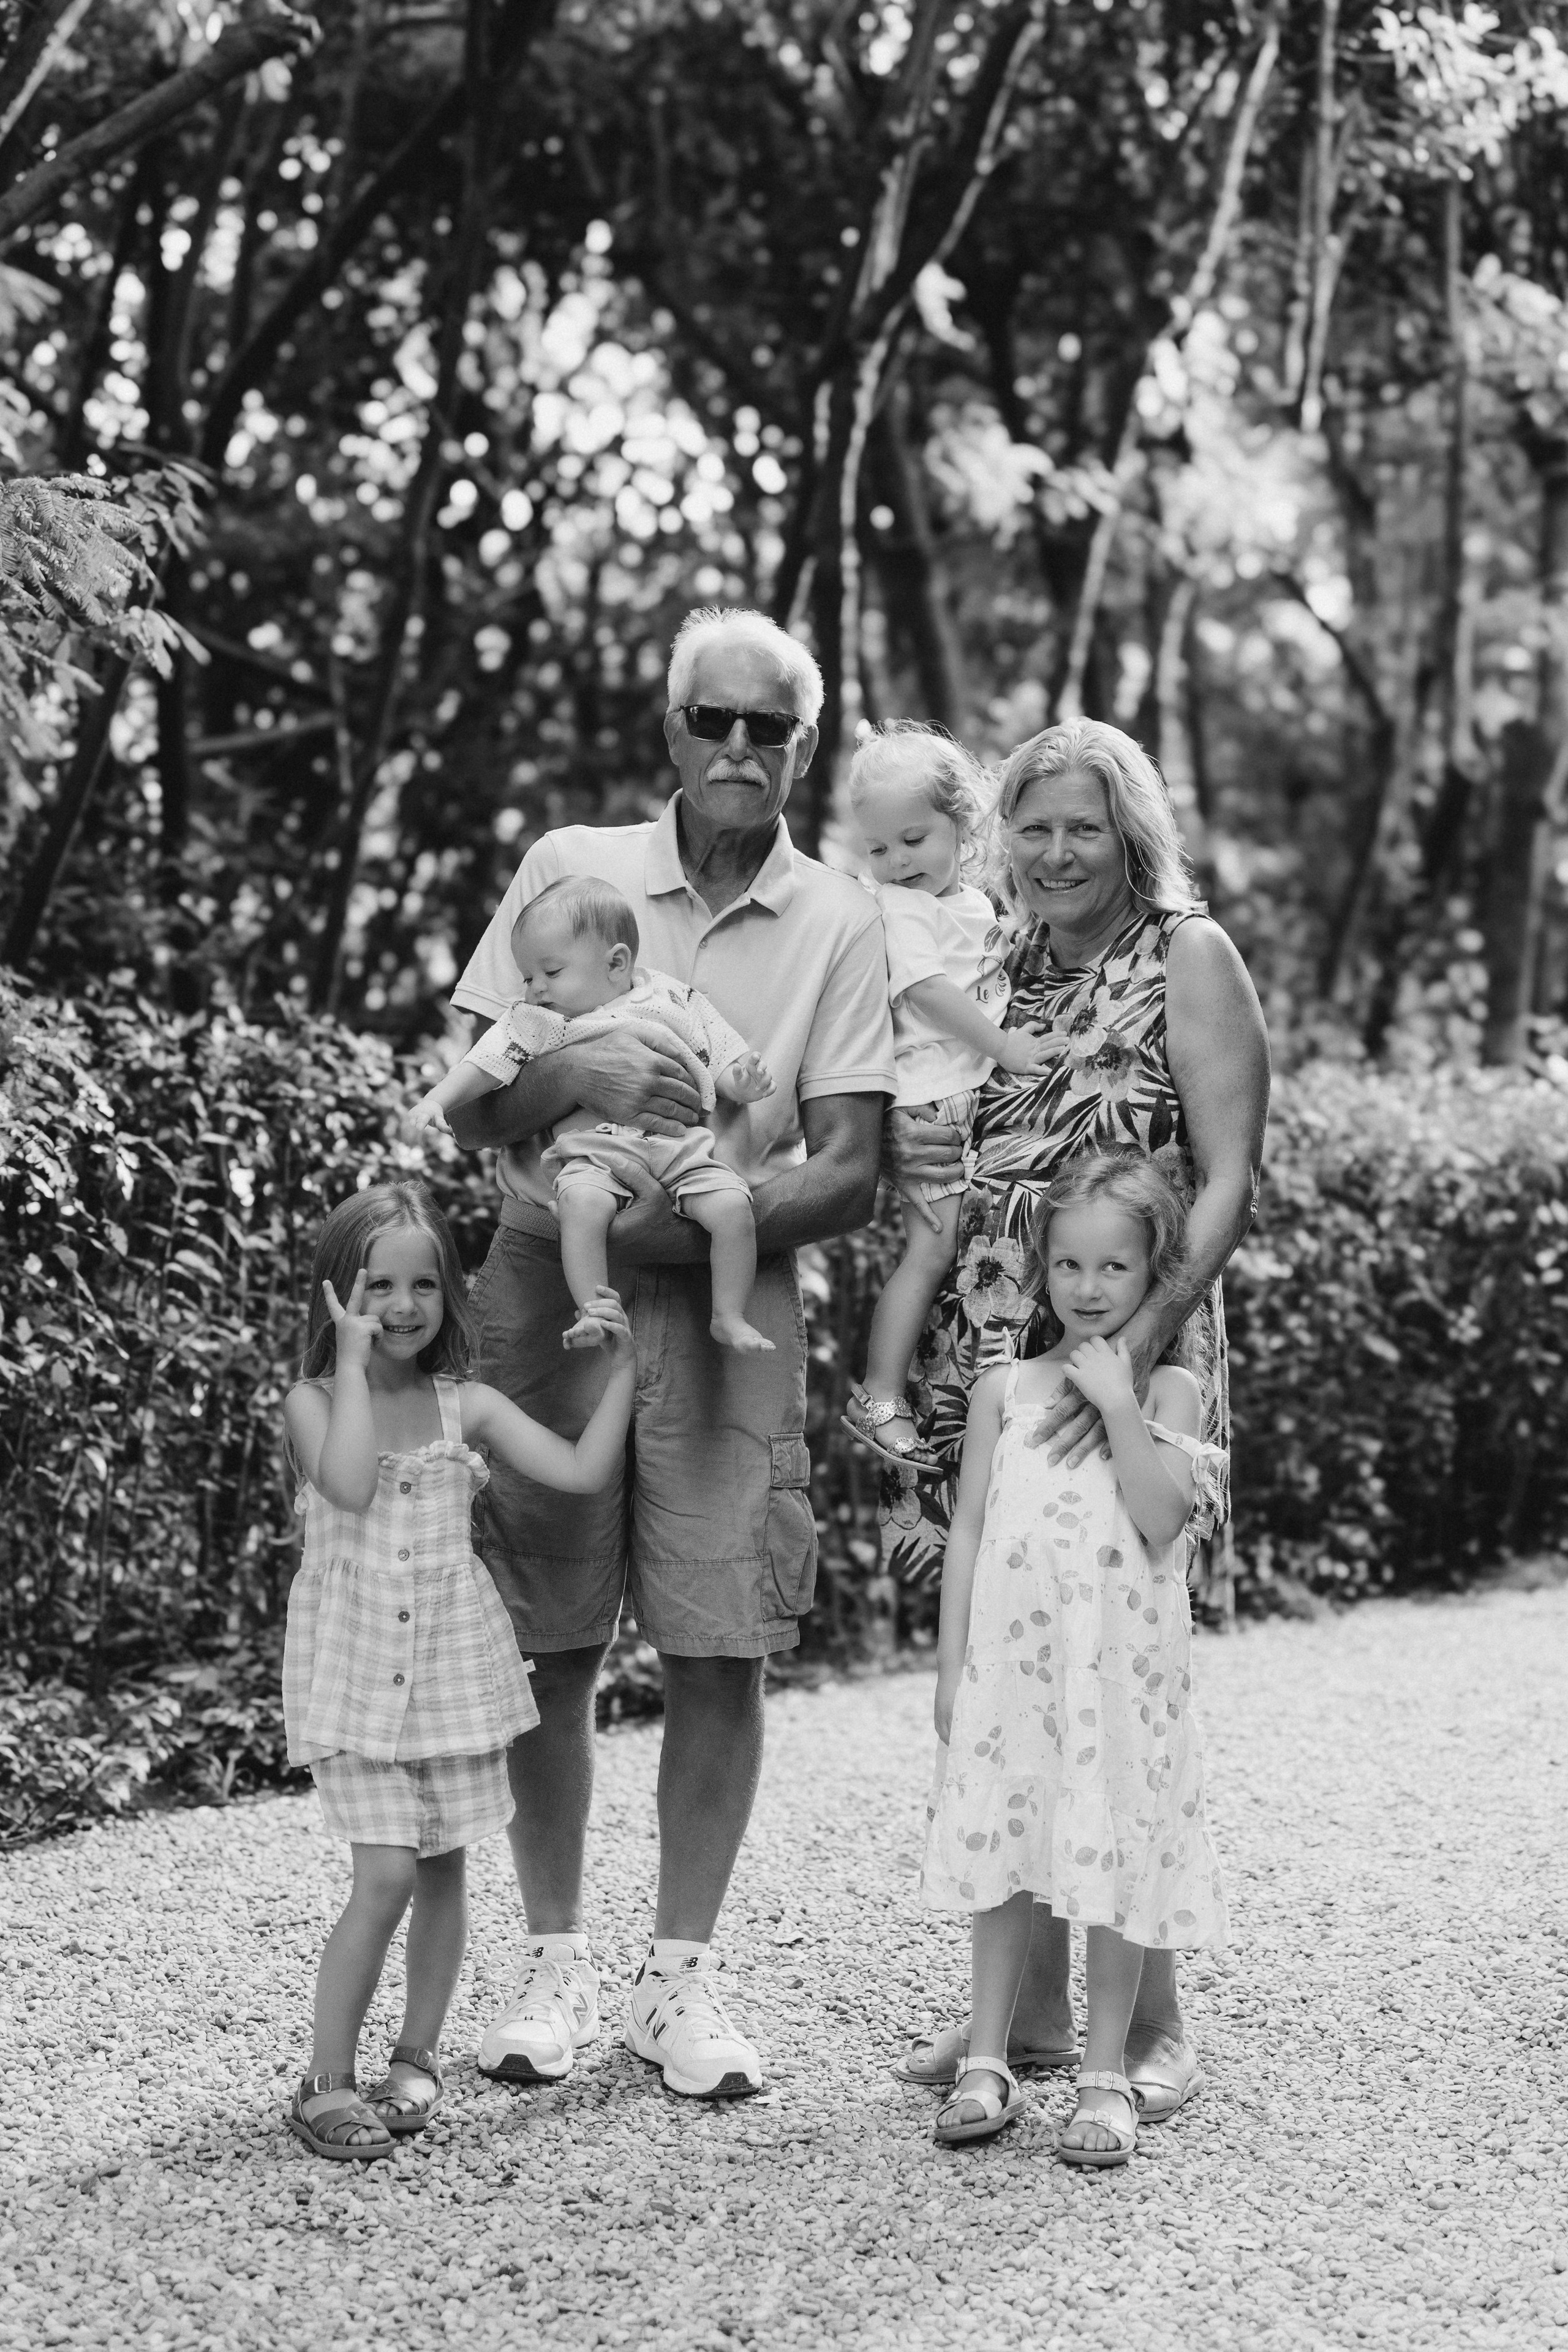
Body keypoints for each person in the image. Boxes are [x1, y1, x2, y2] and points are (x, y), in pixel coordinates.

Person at [444, 607, 893, 2100]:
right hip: (545, 1292)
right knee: (545, 1631)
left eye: (770, 728)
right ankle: (553, 1964)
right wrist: (604, 1132)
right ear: (668, 727)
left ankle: (677, 1982)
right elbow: (476, 1094)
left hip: (722, 1300)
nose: (739, 748)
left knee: (719, 1640)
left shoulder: (837, 915)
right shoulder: (563, 871)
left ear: (803, 747)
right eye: (714, 719)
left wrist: (687, 1213)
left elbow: (847, 1166)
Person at [887, 717, 1268, 2127]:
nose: (1054, 852)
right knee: (1008, 1667)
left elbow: (1225, 1173)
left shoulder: (1186, 956)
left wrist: (1142, 1336)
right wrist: (924, 1152)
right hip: (991, 1345)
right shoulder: (988, 962)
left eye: (1083, 828)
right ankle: (1029, 2011)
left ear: (1132, 838)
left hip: (1132, 1353)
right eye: (1031, 826)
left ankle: (1153, 2015)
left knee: (1120, 1675)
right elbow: (945, 1136)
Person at [280, 1180, 636, 2162]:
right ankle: (325, 2080)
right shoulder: (315, 1403)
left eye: (423, 1284)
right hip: (354, 1677)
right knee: (386, 1873)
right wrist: (349, 1365)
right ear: (335, 1294)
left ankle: (416, 2054)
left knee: (444, 1872)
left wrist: (622, 1372)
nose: (401, 1306)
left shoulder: (463, 1404)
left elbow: (578, 1471)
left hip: (447, 1673)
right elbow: (348, 1483)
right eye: (376, 1285)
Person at [922, 1150, 1228, 2160]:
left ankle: (1104, 2076)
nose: (1089, 1290)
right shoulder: (1003, 1389)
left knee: (1111, 1853)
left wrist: (1119, 1404)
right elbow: (968, 1528)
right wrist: (950, 1661)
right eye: (1069, 1268)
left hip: (1118, 1678)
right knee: (1008, 1851)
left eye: (1115, 1271)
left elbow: (1160, 1520)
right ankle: (991, 2058)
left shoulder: (1171, 1391)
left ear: (1154, 1278)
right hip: (1015, 1671)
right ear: (1042, 1269)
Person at [412, 876, 777, 1352]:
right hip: (593, 1152)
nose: (536, 988)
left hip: (681, 1148)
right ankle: (593, 1313)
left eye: (551, 972)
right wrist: (436, 1099)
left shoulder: (672, 997)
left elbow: (717, 1050)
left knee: (733, 1206)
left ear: (617, 963)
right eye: (528, 977)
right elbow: (484, 1063)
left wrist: (742, 1082)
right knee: (581, 1207)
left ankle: (728, 1314)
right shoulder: (541, 1020)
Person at [839, 722, 1059, 1471]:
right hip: (933, 1098)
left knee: (962, 1250)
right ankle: (877, 1393)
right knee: (928, 1251)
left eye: (912, 840)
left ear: (962, 826)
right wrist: (1003, 1048)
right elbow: (929, 992)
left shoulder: (966, 901)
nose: (896, 863)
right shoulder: (900, 908)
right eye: (877, 850)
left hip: (966, 1093)